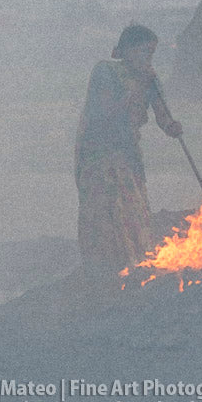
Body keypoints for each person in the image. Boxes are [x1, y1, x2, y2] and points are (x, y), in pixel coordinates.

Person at [75, 25, 183, 293]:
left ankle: (132, 263)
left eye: (152, 53)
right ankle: (102, 269)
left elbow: (162, 116)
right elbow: (104, 112)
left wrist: (172, 127)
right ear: (128, 50)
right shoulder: (106, 71)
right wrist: (134, 92)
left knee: (132, 206)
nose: (148, 58)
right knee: (104, 206)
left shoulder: (149, 79)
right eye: (145, 51)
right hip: (100, 151)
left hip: (128, 152)